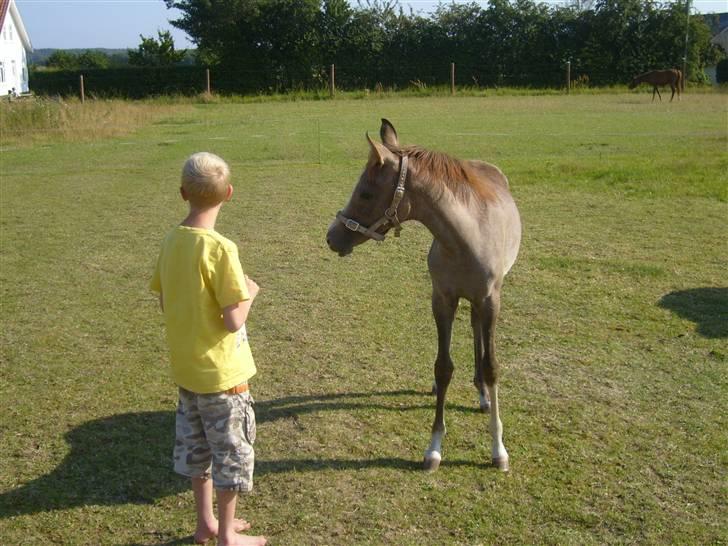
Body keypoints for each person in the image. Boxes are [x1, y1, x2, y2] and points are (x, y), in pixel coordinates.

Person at [150, 152, 266, 546]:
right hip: (225, 380)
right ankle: (227, 536)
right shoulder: (221, 248)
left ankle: (205, 524)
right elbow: (234, 319)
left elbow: (165, 302)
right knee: (230, 456)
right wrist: (250, 292)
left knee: (197, 453)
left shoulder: (171, 241)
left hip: (188, 375)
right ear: (229, 194)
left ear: (182, 193)